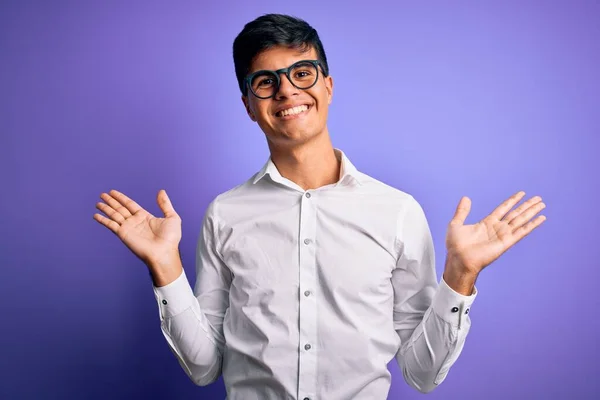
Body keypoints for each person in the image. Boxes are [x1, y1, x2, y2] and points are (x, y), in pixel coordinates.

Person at [93, 13, 546, 400]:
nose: (287, 91)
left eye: (302, 73)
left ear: (327, 86)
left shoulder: (397, 211)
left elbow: (421, 373)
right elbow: (204, 366)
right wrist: (165, 267)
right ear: (249, 105)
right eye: (265, 82)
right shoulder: (224, 214)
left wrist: (460, 276)